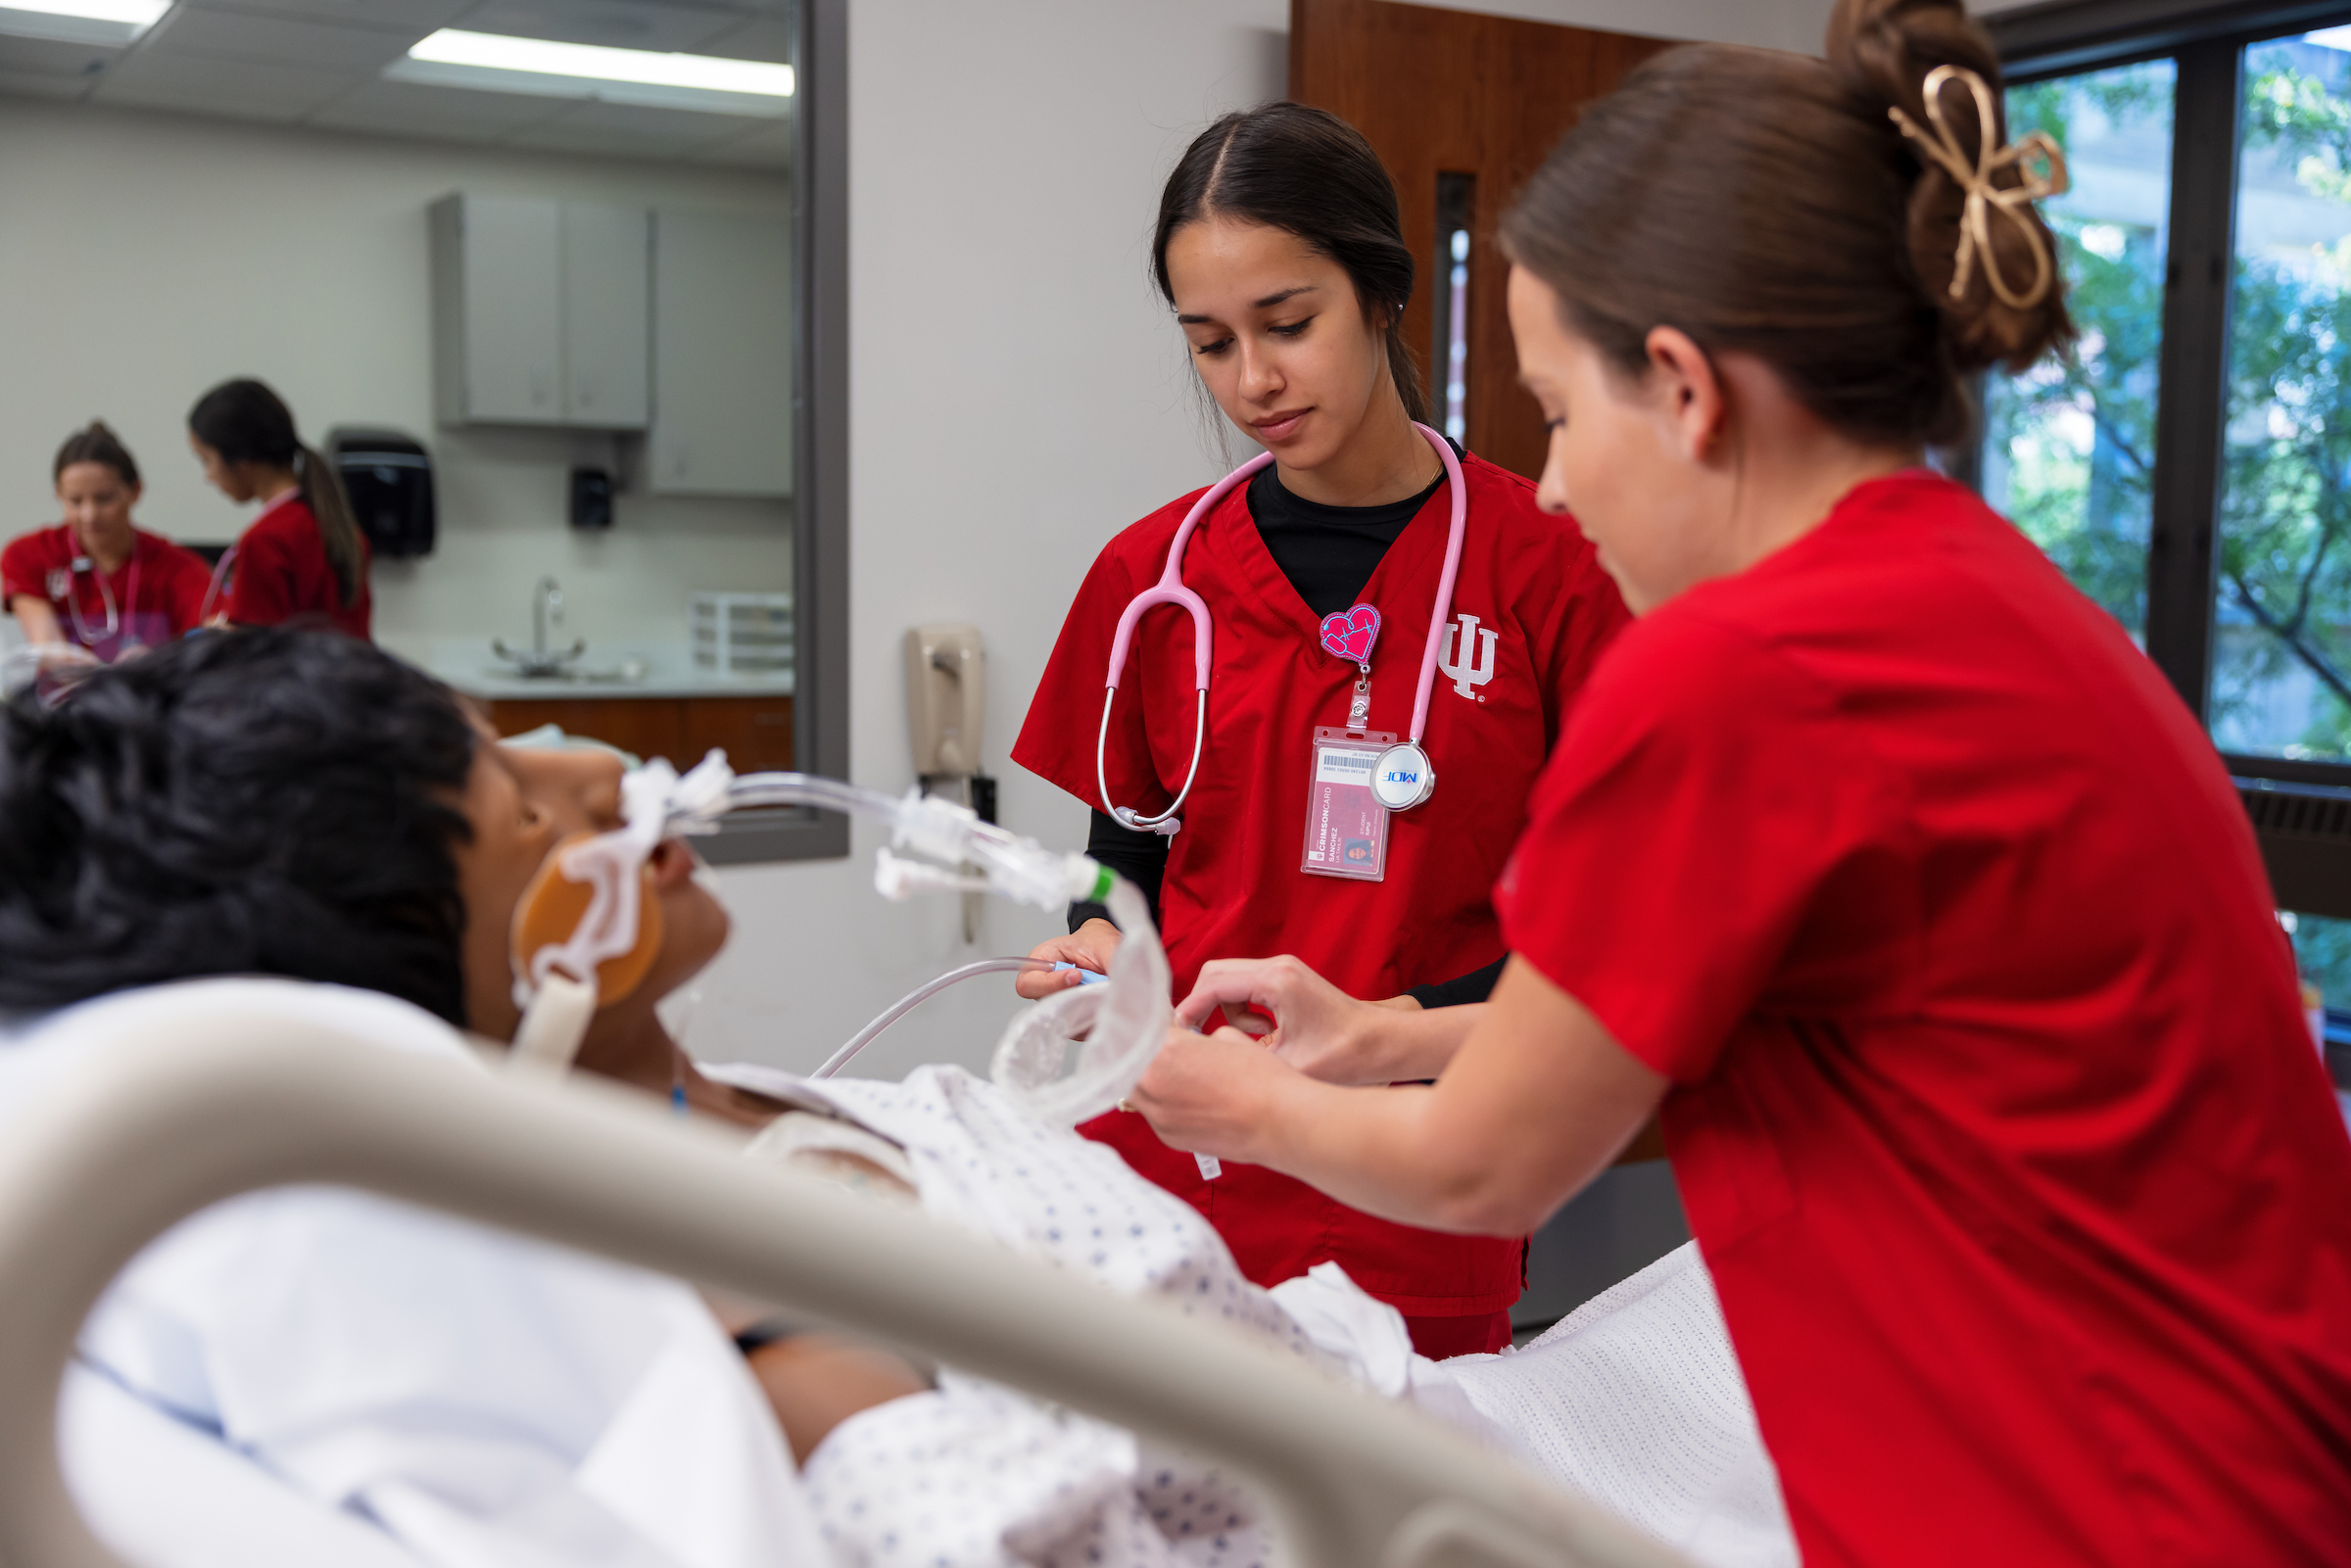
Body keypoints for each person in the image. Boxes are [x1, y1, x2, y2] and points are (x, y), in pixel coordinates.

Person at [1127, 4, 2351, 1564]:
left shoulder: (1744, 673)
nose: (1555, 479)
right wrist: (1390, 1035)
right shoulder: (1997, 602)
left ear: (1686, 389)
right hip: (2250, 1462)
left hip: (2082, 1493)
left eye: (1563, 415)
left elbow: (1491, 1158)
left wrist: (1240, 1104)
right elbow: (1744, 991)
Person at [0, 628, 1798, 1568]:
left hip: (1479, 1421)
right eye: (519, 800)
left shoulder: (761, 1108)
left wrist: (1341, 1037)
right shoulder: (761, 1351)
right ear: (440, 976)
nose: (590, 767)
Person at [1011, 103, 1629, 1358]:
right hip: (1166, 1158)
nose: (1254, 381)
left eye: (1289, 324)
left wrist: (1392, 1029)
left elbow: (1603, 938)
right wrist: (1090, 934)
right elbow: (1117, 850)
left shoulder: (1553, 572)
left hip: (1413, 1165)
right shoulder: (1154, 575)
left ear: (1383, 295)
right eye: (1210, 343)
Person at [2, 421, 215, 660]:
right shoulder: (29, 555)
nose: (89, 515)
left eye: (104, 499)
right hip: (65, 695)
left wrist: (155, 662)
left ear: (135, 491)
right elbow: (48, 647)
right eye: (75, 501)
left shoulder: (177, 568)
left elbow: (214, 634)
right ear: (58, 495)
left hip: (150, 693)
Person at [185, 378, 371, 640]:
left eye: (207, 460)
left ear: (243, 459)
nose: (208, 476)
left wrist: (220, 640)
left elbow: (259, 658)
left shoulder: (265, 541)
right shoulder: (342, 529)